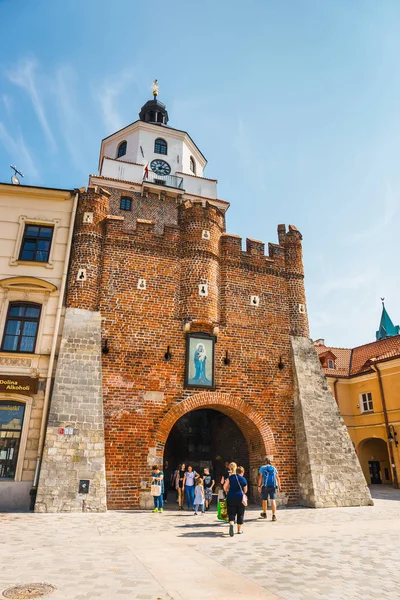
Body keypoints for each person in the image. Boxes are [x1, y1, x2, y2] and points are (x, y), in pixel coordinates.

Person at [223, 461, 248, 537]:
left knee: (231, 512)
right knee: (240, 513)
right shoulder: (243, 479)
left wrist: (227, 491)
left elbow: (224, 487)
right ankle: (239, 530)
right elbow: (245, 490)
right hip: (240, 498)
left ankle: (231, 525)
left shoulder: (230, 478)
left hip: (231, 497)